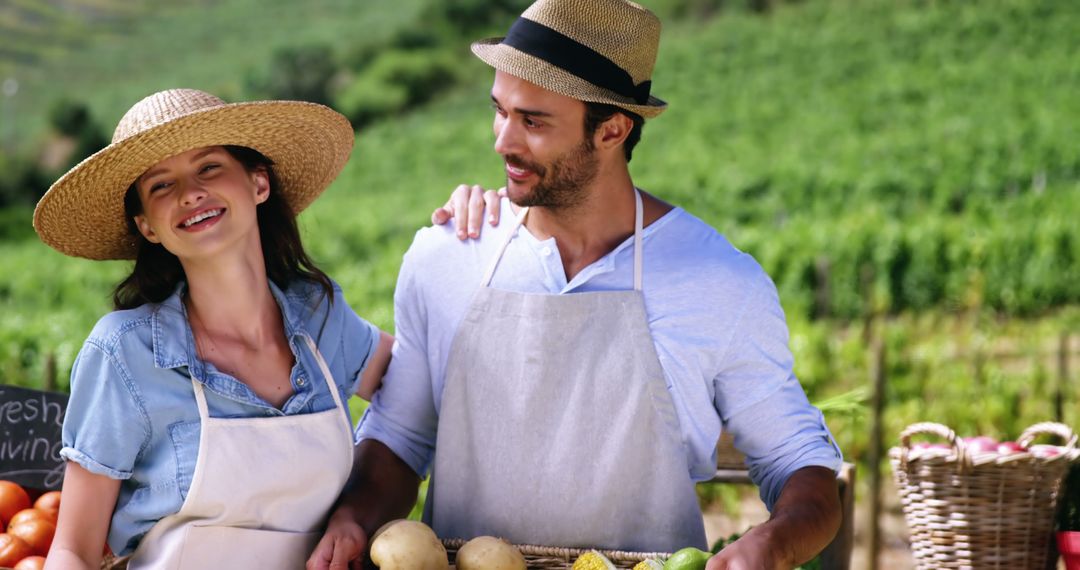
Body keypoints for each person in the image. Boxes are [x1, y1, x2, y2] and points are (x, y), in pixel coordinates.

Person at [311, 0, 844, 568]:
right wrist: (354, 519)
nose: (502, 142)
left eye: (533, 121)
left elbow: (798, 461)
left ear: (612, 129)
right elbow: (400, 436)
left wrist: (774, 541)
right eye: (499, 111)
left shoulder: (720, 282)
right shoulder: (446, 258)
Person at [33, 88, 395, 569]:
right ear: (148, 227)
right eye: (161, 185)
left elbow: (418, 389)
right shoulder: (124, 353)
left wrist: (357, 511)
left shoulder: (319, 316)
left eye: (208, 168)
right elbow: (72, 550)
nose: (189, 193)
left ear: (258, 183)